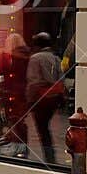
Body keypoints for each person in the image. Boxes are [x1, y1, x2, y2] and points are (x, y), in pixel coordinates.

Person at [24, 32, 64, 164]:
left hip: (40, 98)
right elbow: (61, 78)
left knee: (42, 128)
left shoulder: (35, 58)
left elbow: (33, 81)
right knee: (45, 127)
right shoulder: (55, 58)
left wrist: (29, 99)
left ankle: (49, 157)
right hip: (54, 97)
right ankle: (50, 155)